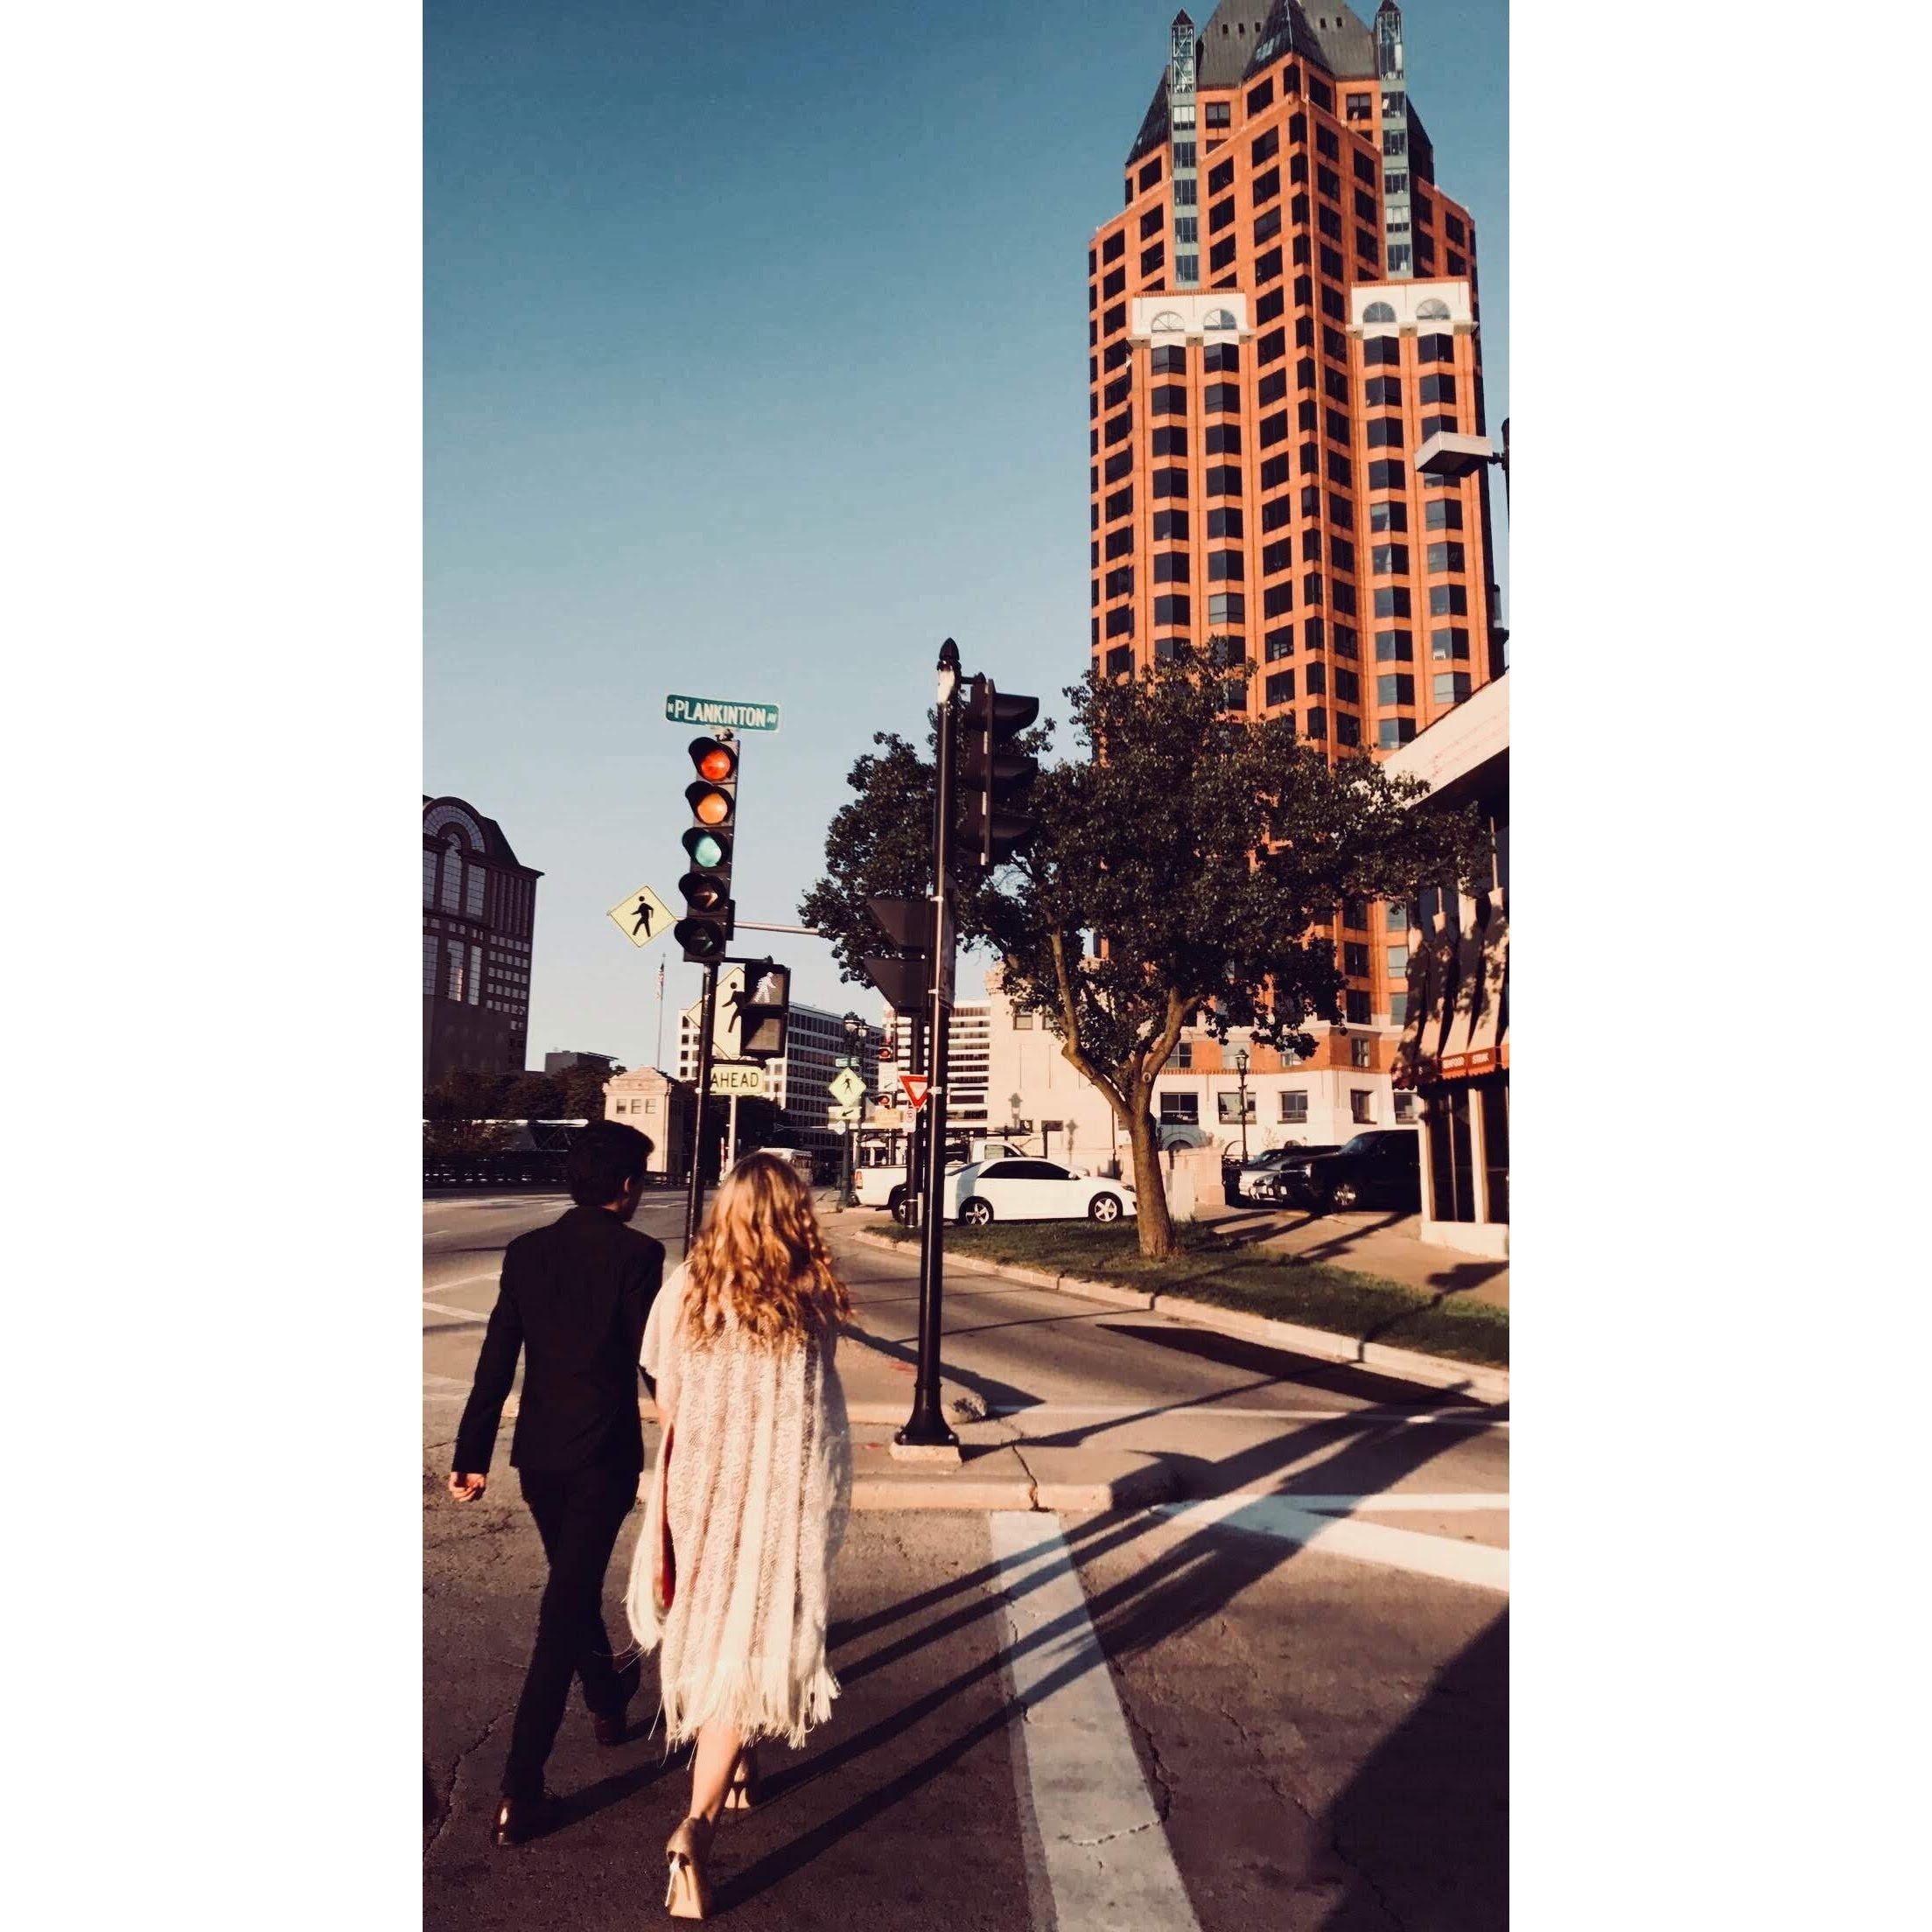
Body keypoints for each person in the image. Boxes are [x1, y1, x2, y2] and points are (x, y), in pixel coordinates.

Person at [626, 1152, 853, 1920]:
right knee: (752, 1638)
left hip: (700, 1490)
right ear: (795, 1216)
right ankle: (697, 1827)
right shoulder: (809, 1297)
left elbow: (668, 1405)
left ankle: (740, 1763)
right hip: (775, 1496)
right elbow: (820, 1416)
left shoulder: (684, 1289)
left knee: (716, 1627)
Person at [449, 1120, 665, 1848]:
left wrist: (472, 1451)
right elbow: (648, 1353)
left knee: (571, 1589)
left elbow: (496, 1356)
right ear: (627, 1186)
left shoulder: (527, 1251)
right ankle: (520, 1787)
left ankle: (607, 1697)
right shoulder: (640, 1254)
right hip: (603, 1456)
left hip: (538, 1457)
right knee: (563, 1606)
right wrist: (686, 1413)